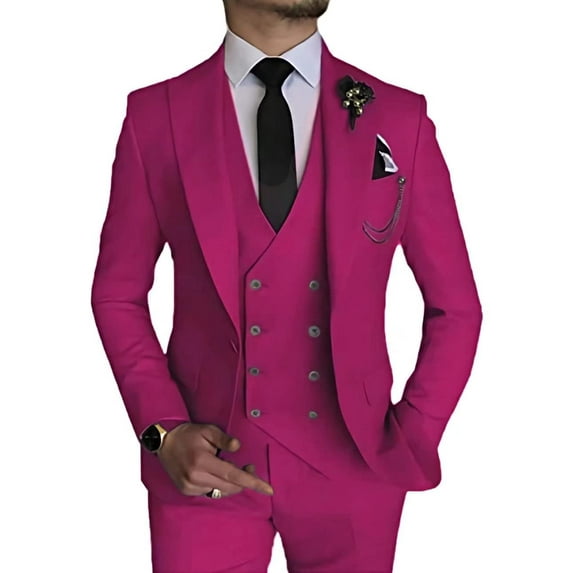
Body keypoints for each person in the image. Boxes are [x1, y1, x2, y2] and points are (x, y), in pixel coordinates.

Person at [90, 0, 483, 571]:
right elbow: (117, 294)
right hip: (203, 466)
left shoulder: (400, 118)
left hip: (357, 469)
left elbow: (456, 307)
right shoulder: (156, 117)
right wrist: (162, 431)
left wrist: (415, 434)